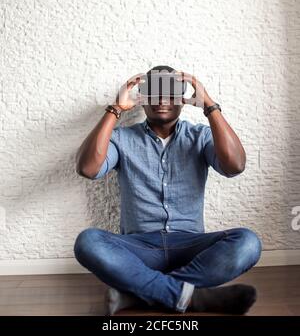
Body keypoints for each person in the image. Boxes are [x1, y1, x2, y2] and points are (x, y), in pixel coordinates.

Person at [74, 65, 262, 315]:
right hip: (139, 248)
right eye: (154, 92)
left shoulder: (201, 136)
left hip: (191, 246)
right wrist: (115, 109)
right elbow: (88, 168)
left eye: (170, 92)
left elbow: (235, 166)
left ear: (183, 99)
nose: (162, 99)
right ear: (142, 98)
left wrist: (210, 106)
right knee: (88, 241)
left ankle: (141, 294)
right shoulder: (122, 138)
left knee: (248, 242)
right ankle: (188, 296)